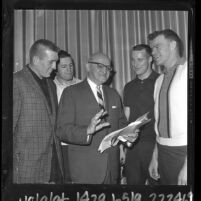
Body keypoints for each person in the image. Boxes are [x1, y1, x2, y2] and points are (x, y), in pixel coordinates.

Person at [56, 52, 129, 184]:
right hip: (85, 169)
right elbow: (61, 130)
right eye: (100, 66)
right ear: (88, 66)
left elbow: (121, 123)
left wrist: (128, 134)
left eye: (108, 68)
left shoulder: (113, 94)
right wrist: (86, 131)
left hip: (112, 168)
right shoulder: (71, 93)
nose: (105, 71)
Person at [13, 39, 64, 184]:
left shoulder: (51, 84)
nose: (55, 67)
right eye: (51, 62)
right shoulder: (16, 82)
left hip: (54, 166)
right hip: (27, 168)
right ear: (36, 60)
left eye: (56, 62)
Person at [148, 29, 187, 185]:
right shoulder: (159, 81)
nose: (153, 52)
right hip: (163, 150)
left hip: (184, 151)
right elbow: (160, 123)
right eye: (152, 48)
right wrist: (155, 156)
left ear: (172, 45)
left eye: (157, 46)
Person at [123, 44, 159, 185]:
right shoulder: (129, 86)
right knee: (133, 192)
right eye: (133, 60)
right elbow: (126, 116)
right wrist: (122, 146)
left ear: (150, 59)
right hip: (132, 148)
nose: (135, 64)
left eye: (140, 59)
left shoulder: (160, 81)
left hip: (155, 147)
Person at [53, 50, 81, 183]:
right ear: (56, 69)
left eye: (71, 65)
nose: (69, 69)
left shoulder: (83, 85)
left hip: (82, 143)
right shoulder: (51, 88)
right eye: (64, 67)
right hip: (61, 144)